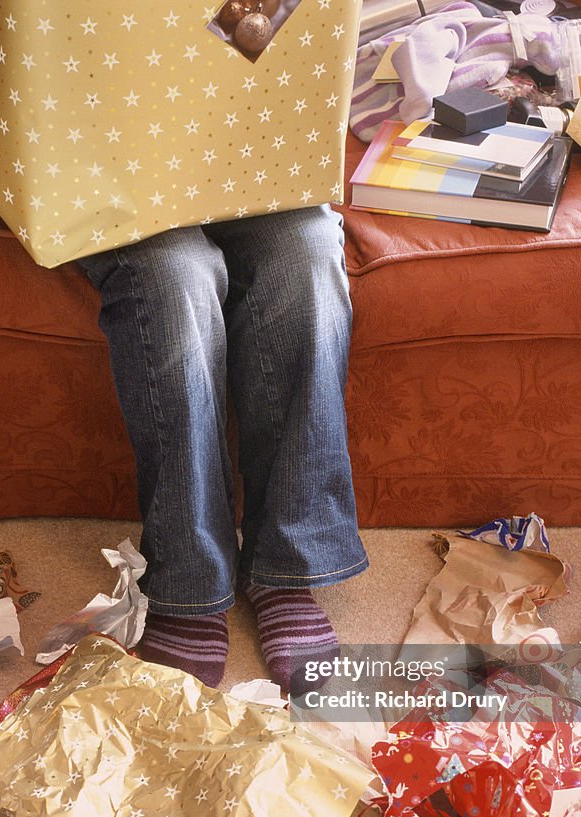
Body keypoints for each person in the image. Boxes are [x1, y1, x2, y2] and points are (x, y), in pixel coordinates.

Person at [79, 204, 367, 688]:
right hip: (123, 191)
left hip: (259, 178)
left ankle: (283, 570)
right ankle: (190, 582)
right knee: (173, 273)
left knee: (308, 252)